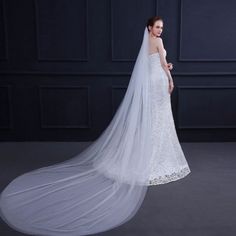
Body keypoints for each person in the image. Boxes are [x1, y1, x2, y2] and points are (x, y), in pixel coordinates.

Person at [0, 16, 191, 236]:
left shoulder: (146, 41)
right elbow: (160, 65)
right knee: (159, 120)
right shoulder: (157, 41)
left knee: (154, 120)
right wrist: (171, 78)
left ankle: (149, 155)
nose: (160, 30)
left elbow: (152, 63)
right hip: (158, 83)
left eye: (161, 27)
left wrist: (164, 66)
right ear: (149, 27)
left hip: (151, 83)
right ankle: (155, 158)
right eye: (157, 27)